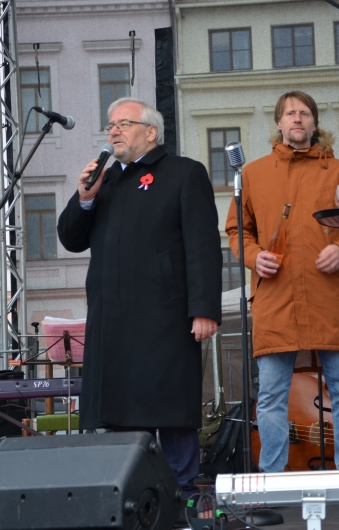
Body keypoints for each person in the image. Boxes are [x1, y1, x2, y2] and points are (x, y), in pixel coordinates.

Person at [57, 98, 222, 523]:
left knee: (170, 406)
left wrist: (204, 308)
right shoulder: (106, 180)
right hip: (113, 318)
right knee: (122, 412)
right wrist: (84, 197)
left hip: (166, 315)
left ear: (151, 132)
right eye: (110, 125)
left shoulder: (184, 173)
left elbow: (203, 246)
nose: (113, 131)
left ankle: (184, 495)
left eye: (123, 124)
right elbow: (71, 238)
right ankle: (135, 496)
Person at [225, 91, 339, 473]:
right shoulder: (253, 173)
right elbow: (237, 230)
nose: (297, 118)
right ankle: (272, 476)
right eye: (290, 113)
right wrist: (254, 257)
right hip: (276, 299)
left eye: (304, 113)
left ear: (315, 122)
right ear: (278, 123)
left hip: (329, 296)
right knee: (271, 395)